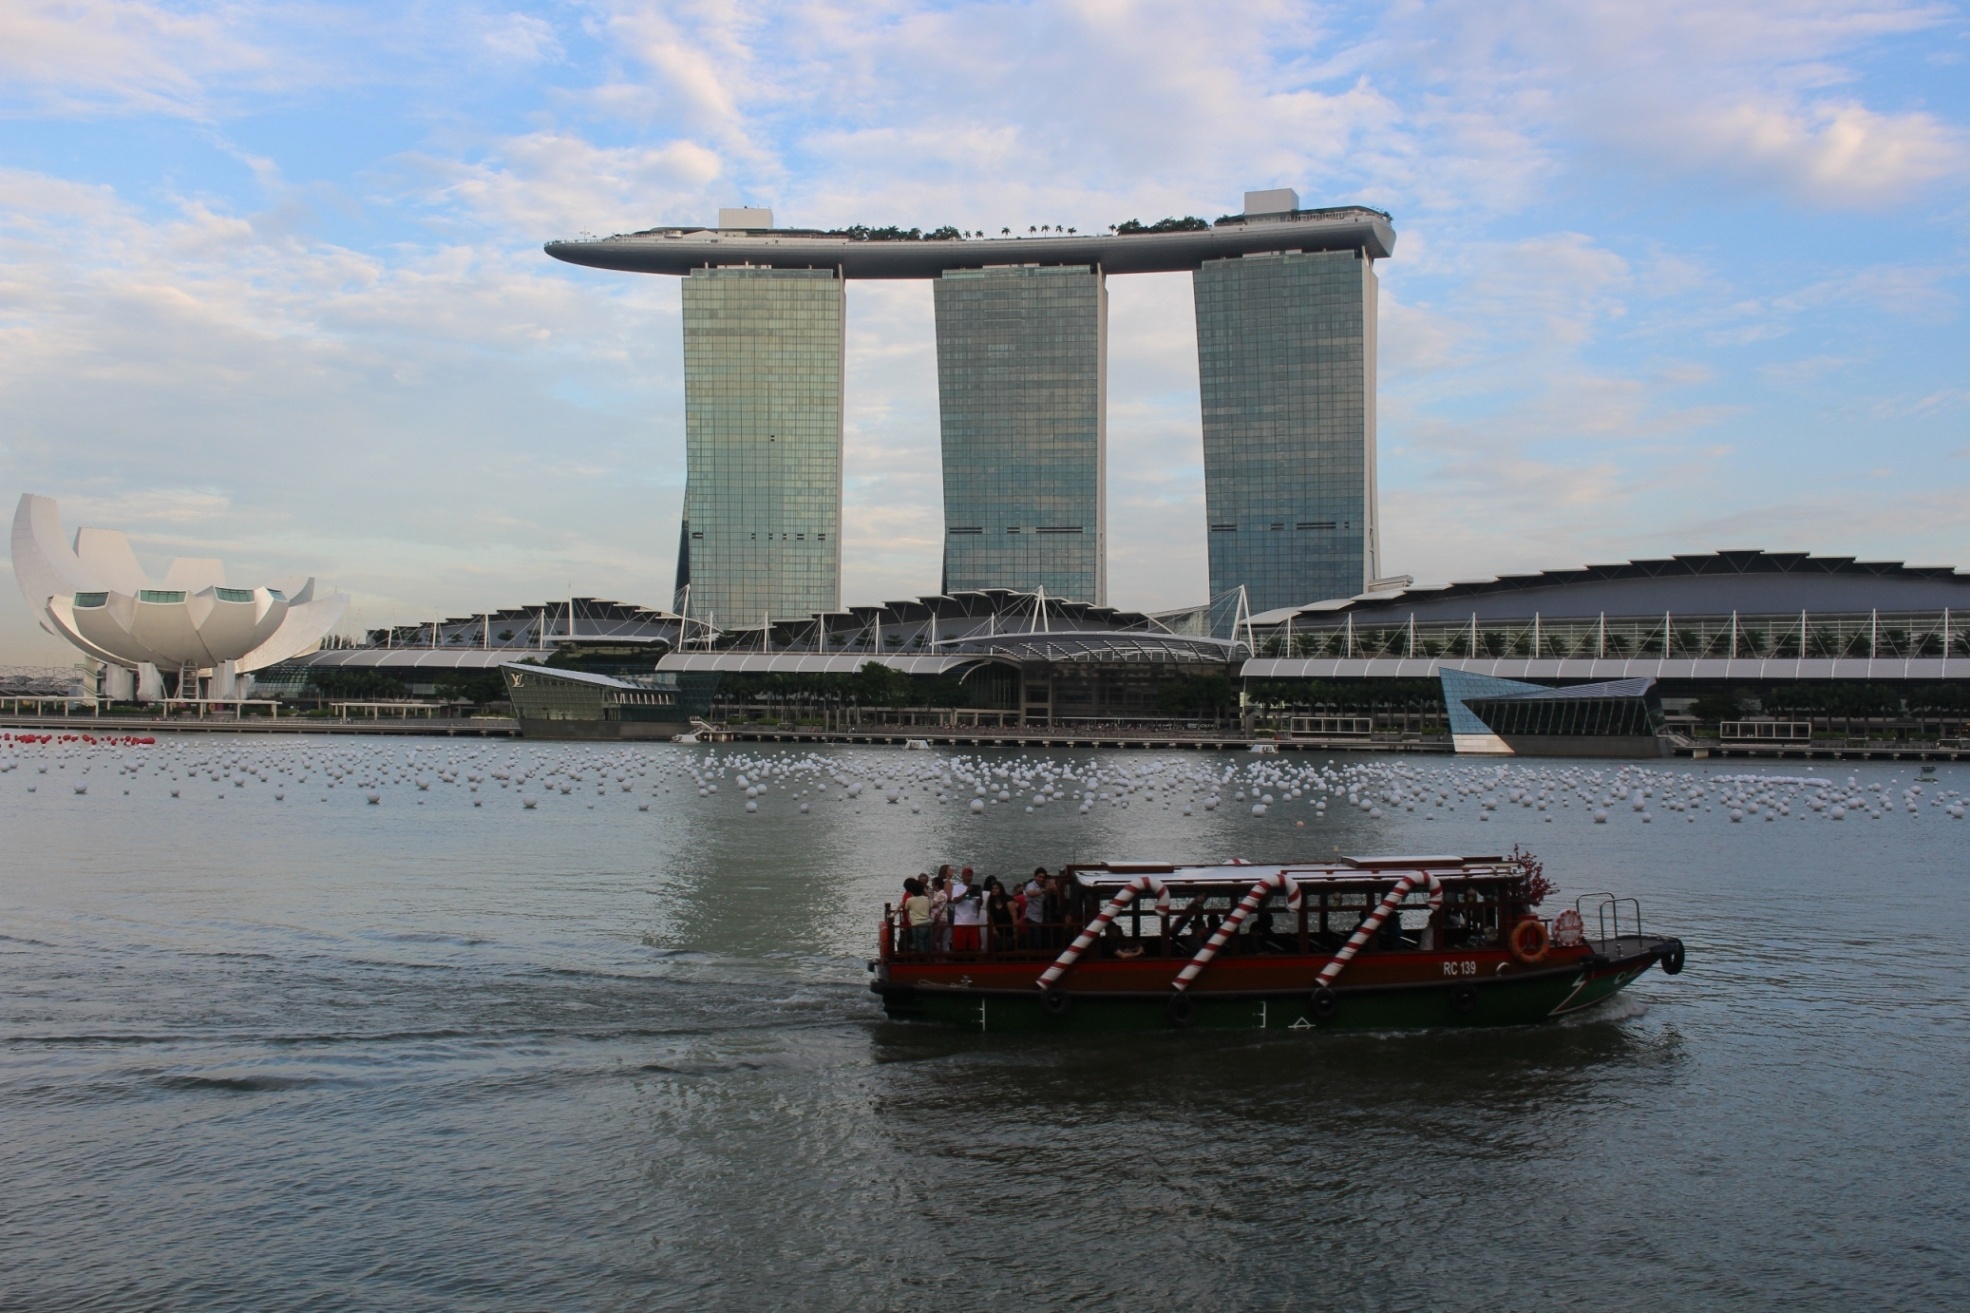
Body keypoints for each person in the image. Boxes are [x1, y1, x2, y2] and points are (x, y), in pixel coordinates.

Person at [950, 867, 983, 953]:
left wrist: (980, 898)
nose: (969, 878)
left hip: (973, 921)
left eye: (971, 876)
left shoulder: (975, 888)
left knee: (973, 949)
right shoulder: (957, 887)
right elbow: (955, 900)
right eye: (967, 875)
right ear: (963, 876)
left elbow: (979, 904)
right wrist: (966, 892)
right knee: (959, 949)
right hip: (960, 922)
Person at [901, 877, 932, 953]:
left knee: (919, 943)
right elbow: (932, 904)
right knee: (927, 942)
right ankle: (928, 957)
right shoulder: (926, 899)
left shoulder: (910, 900)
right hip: (928, 923)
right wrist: (928, 894)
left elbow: (906, 908)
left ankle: (922, 957)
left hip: (916, 924)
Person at [984, 877, 1015, 953]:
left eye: (996, 888)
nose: (993, 890)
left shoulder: (1008, 899)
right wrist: (993, 929)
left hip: (1008, 929)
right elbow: (990, 916)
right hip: (997, 931)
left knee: (1009, 950)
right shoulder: (990, 902)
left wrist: (1015, 930)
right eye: (992, 888)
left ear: (1001, 889)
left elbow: (1014, 916)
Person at [1022, 868, 1050, 950]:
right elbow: (1030, 893)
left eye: (1043, 877)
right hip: (1031, 917)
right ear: (1035, 877)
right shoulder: (1031, 885)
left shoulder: (1043, 885)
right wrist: (1044, 891)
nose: (1041, 879)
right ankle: (1033, 955)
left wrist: (1051, 886)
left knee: (1043, 939)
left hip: (1041, 917)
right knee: (1035, 939)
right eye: (1039, 877)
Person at [929, 873, 952, 953]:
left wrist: (928, 895)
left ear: (936, 885)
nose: (932, 886)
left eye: (933, 884)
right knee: (939, 939)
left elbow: (933, 904)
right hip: (941, 919)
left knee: (936, 940)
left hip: (939, 920)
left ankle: (938, 956)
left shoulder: (940, 894)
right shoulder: (942, 894)